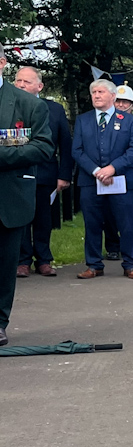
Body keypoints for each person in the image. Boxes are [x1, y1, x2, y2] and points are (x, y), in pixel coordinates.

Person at [0, 53, 54, 346]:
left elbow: (43, 147)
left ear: (1, 63)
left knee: (5, 264)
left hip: (8, 197)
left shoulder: (27, 104)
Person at [72, 79, 133, 280]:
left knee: (127, 223)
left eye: (101, 92)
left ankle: (130, 264)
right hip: (91, 180)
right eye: (94, 92)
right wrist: (96, 170)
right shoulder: (83, 120)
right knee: (92, 223)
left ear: (113, 96)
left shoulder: (130, 121)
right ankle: (94, 264)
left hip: (122, 180)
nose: (96, 95)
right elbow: (77, 150)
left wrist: (113, 168)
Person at [12, 66, 72, 278]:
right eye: (18, 80)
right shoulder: (8, 106)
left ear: (40, 86)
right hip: (17, 174)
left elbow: (65, 144)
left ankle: (44, 259)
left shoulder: (54, 109)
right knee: (20, 220)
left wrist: (64, 175)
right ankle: (23, 261)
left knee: (43, 219)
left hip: (46, 174)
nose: (21, 85)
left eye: (26, 82)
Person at [107, 85, 133, 261]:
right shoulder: (104, 121)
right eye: (118, 101)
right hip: (110, 172)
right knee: (109, 212)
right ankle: (112, 247)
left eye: (126, 102)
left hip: (132, 170)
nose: (122, 105)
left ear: (132, 105)